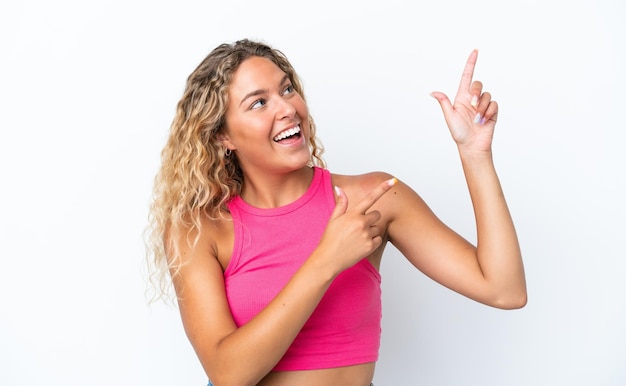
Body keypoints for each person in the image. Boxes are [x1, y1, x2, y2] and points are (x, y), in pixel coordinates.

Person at [145, 39, 527, 386]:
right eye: (259, 102)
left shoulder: (373, 197)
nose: (287, 108)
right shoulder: (199, 228)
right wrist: (326, 260)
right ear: (222, 136)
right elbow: (227, 373)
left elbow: (503, 289)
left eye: (287, 89)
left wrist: (475, 156)